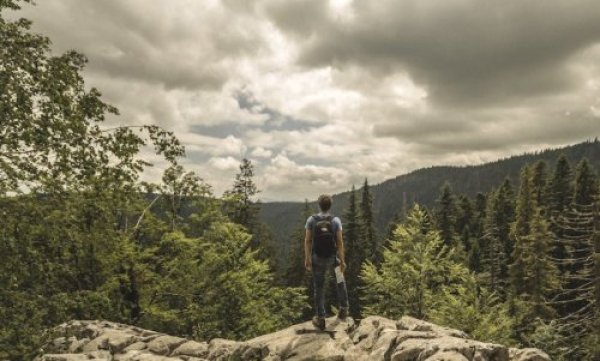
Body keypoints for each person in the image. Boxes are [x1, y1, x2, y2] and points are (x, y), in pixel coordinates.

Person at [304, 194, 350, 330]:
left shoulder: (311, 220)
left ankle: (321, 318)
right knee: (340, 280)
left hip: (317, 259)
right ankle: (344, 309)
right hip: (332, 258)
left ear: (319, 205)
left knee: (319, 287)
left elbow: (307, 241)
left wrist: (307, 258)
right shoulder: (335, 220)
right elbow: (340, 242)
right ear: (330, 205)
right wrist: (342, 261)